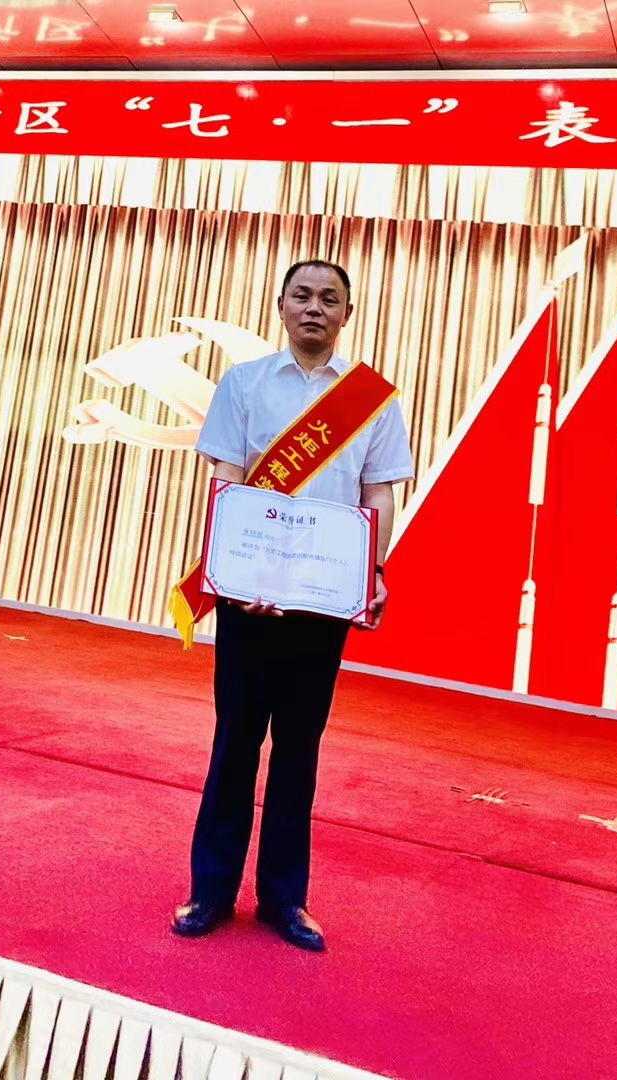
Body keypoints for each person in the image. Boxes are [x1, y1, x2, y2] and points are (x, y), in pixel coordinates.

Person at [170, 260, 415, 951]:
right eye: (302, 295)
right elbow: (228, 478)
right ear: (280, 305)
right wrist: (233, 571)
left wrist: (371, 572)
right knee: (235, 742)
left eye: (329, 299)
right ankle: (210, 891)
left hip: (323, 600)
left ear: (347, 314)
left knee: (300, 749)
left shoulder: (371, 399)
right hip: (248, 596)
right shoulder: (244, 384)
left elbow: (378, 493)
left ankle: (285, 900)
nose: (314, 308)